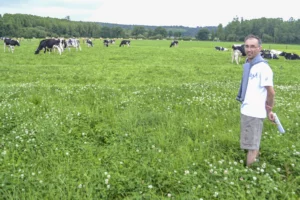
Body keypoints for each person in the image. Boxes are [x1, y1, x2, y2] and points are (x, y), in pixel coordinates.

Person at [236, 34, 275, 167]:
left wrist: (269, 109)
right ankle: (251, 166)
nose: (249, 49)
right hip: (246, 110)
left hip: (255, 112)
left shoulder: (263, 68)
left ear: (260, 48)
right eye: (247, 46)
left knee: (252, 146)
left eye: (253, 46)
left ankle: (249, 173)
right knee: (249, 143)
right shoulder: (248, 64)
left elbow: (271, 92)